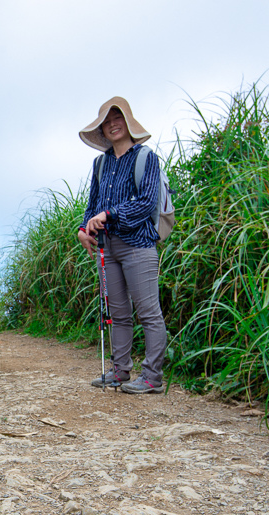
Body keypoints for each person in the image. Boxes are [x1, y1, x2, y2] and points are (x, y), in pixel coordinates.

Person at [77, 96, 167, 394]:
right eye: (107, 121)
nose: (112, 124)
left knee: (148, 311)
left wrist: (110, 214)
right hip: (107, 248)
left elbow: (146, 203)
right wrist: (84, 228)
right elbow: (93, 205)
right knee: (118, 313)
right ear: (102, 129)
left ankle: (152, 376)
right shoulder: (100, 163)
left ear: (128, 123)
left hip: (138, 245)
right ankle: (121, 371)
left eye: (118, 119)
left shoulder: (145, 158)